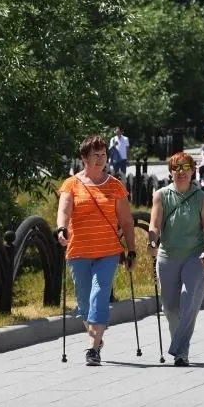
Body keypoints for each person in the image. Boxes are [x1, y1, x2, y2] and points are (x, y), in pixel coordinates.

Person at [57, 135, 137, 366]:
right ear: (84, 158)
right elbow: (64, 209)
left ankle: (92, 349)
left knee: (99, 295)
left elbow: (127, 222)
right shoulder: (71, 184)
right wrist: (61, 228)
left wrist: (131, 250)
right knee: (83, 303)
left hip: (108, 251)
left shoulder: (115, 186)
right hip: (79, 250)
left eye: (104, 155)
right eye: (96, 155)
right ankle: (97, 336)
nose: (101, 159)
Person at [148, 152, 204, 367]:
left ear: (193, 171)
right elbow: (155, 225)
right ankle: (179, 345)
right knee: (169, 307)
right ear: (170, 172)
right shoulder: (161, 195)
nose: (181, 172)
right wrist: (152, 241)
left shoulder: (202, 198)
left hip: (194, 256)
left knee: (188, 299)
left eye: (186, 167)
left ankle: (181, 351)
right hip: (168, 255)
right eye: (176, 168)